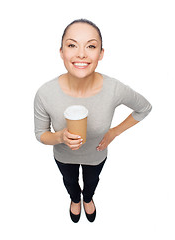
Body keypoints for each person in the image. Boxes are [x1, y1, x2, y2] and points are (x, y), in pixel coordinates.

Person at [34, 19, 152, 223]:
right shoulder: (45, 93)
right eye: (72, 45)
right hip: (64, 156)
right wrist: (60, 137)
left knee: (92, 181)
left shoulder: (115, 89)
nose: (81, 53)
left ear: (101, 53)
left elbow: (144, 108)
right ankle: (74, 199)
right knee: (69, 181)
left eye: (91, 46)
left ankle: (88, 198)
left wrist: (113, 132)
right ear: (61, 52)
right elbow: (40, 134)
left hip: (96, 155)